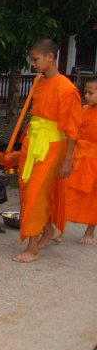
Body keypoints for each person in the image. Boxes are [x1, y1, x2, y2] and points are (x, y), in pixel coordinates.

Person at [13, 39, 81, 263]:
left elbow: (72, 129)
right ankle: (48, 229)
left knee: (35, 193)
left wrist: (68, 159)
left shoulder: (67, 89)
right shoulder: (40, 82)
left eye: (36, 59)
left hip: (52, 145)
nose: (33, 64)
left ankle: (32, 248)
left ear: (50, 57)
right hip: (35, 142)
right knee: (26, 189)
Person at [64, 77, 97, 245]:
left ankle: (90, 231)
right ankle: (59, 225)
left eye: (91, 93)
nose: (86, 96)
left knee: (93, 197)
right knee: (67, 191)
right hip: (79, 156)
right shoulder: (83, 110)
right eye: (86, 92)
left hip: (94, 160)